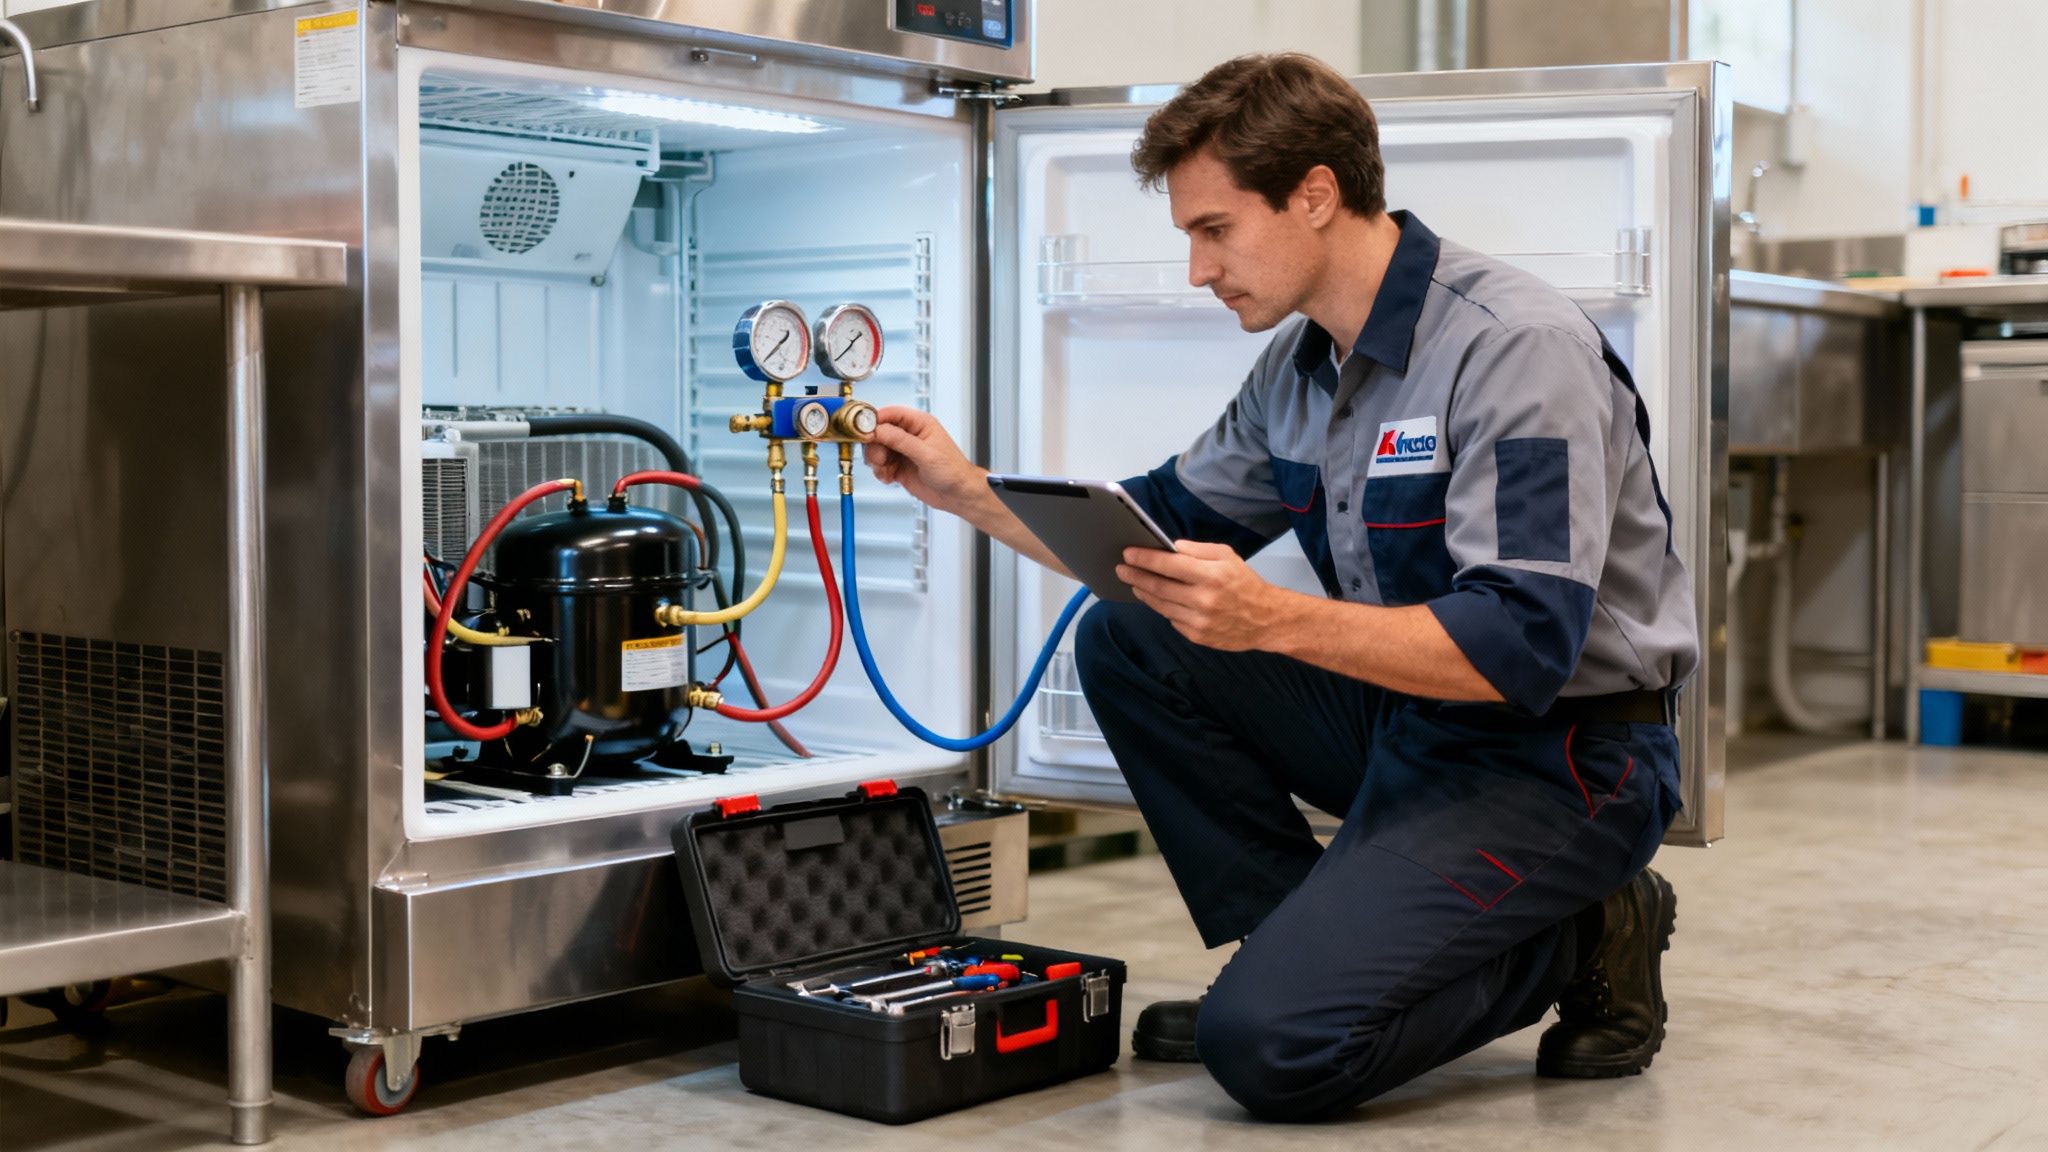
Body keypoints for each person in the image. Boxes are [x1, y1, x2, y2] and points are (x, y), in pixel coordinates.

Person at [863, 52, 1696, 1120]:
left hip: (1563, 755)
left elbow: (1521, 644)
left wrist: (1275, 618)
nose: (1199, 270)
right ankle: (1299, 941)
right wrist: (964, 489)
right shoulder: (1299, 369)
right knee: (1131, 636)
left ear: (1313, 194)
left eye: (1214, 230)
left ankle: (1586, 926)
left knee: (1271, 1050)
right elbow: (1151, 533)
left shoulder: (1510, 348)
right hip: (1412, 725)